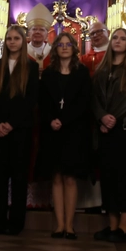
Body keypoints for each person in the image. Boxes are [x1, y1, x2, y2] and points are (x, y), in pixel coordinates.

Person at [36, 32, 92, 239]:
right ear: (56, 49)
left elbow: (84, 102)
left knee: (70, 178)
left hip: (74, 132)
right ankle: (59, 225)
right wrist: (52, 119)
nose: (65, 47)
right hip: (52, 131)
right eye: (61, 44)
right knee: (56, 177)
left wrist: (64, 120)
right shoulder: (49, 74)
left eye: (69, 44)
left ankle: (70, 225)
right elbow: (42, 102)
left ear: (74, 48)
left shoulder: (82, 73)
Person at [92, 28, 126, 243]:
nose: (118, 41)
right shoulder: (102, 69)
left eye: (123, 38)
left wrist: (111, 118)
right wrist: (101, 117)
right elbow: (94, 98)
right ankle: (112, 225)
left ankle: (125, 226)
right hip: (106, 129)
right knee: (109, 177)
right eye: (115, 37)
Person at [0, 25, 39, 235]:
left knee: (19, 177)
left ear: (23, 41)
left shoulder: (31, 67)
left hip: (20, 130)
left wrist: (12, 123)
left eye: (16, 38)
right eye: (9, 38)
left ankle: (16, 222)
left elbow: (30, 100)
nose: (12, 42)